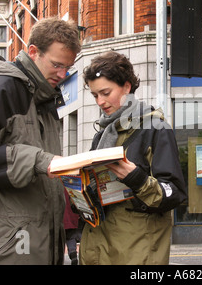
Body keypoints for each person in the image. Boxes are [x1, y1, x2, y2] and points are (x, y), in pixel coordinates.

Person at [0, 17, 82, 265]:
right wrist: (39, 161)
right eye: (57, 64)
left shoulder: (45, 97)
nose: (63, 74)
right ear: (33, 52)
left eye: (68, 67)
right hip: (7, 247)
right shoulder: (2, 88)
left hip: (36, 243)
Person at [79, 51, 187, 265]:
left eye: (105, 92)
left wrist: (137, 179)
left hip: (136, 253)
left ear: (127, 87)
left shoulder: (155, 128)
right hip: (98, 249)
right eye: (94, 95)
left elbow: (174, 193)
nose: (100, 101)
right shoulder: (103, 133)